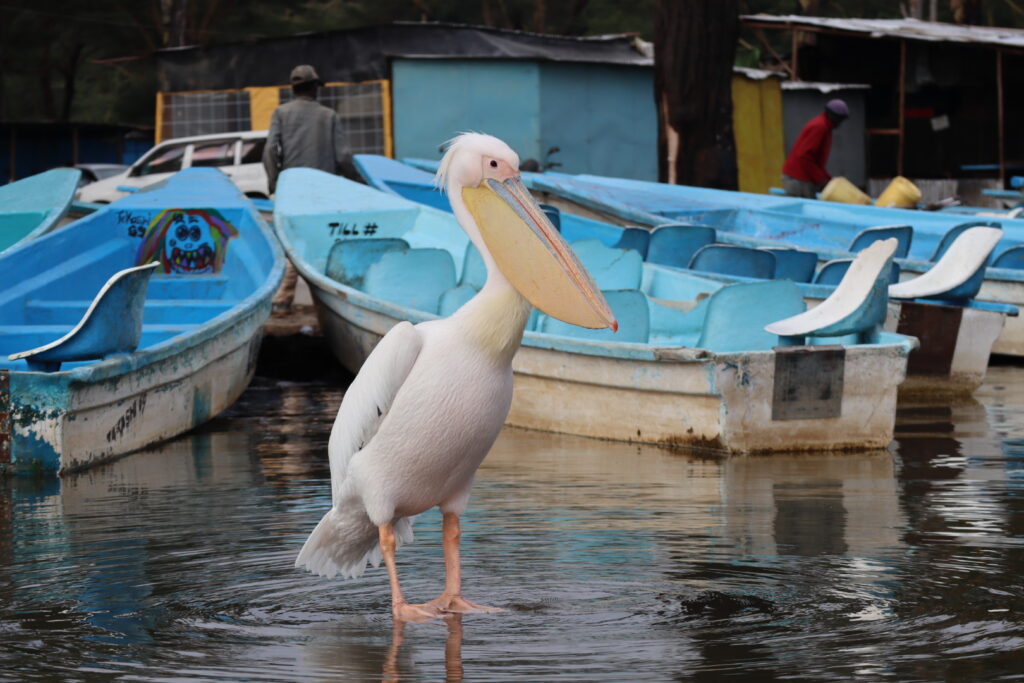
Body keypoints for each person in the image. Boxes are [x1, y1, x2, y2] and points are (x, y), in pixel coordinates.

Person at [262, 64, 358, 195]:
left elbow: (270, 150)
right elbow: (342, 157)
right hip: (325, 188)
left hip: (293, 188)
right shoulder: (329, 115)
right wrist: (357, 181)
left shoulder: (281, 113)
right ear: (314, 87)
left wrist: (275, 184)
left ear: (294, 89)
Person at [782, 99, 849, 198]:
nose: (840, 124)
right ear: (832, 116)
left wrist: (827, 179)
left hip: (802, 178)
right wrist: (821, 179)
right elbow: (804, 156)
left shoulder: (824, 126)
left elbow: (815, 160)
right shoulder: (819, 127)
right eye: (839, 120)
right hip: (798, 179)